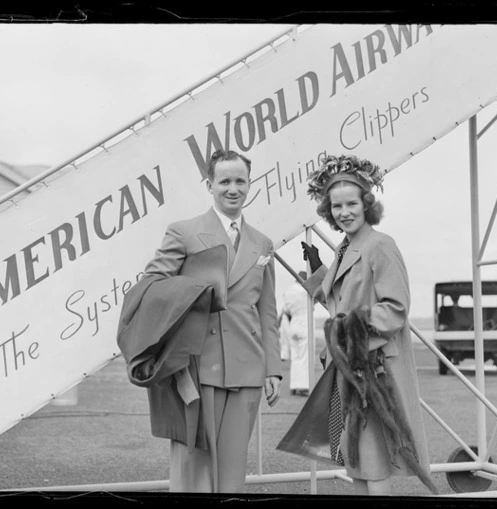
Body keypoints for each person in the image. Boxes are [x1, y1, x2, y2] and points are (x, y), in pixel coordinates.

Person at [276, 154, 435, 496]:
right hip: (352, 368)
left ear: (367, 205)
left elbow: (396, 308)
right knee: (359, 464)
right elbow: (342, 303)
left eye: (351, 204)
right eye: (336, 206)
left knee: (374, 464)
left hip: (375, 371)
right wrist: (320, 272)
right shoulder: (347, 248)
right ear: (327, 210)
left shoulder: (380, 245)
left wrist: (348, 331)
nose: (344, 212)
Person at [141, 149, 282, 493]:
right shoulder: (184, 232)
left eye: (240, 181)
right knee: (193, 470)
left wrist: (273, 369)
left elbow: (267, 311)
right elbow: (153, 289)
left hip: (247, 367)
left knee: (232, 473)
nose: (232, 189)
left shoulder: (262, 243)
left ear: (250, 185)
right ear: (209, 185)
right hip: (196, 367)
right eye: (225, 181)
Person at [281, 271, 310, 396]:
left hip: (293, 323)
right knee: (304, 355)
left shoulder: (288, 292)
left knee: (295, 356)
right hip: (305, 323)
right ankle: (302, 385)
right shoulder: (305, 292)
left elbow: (285, 310)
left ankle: (294, 384)